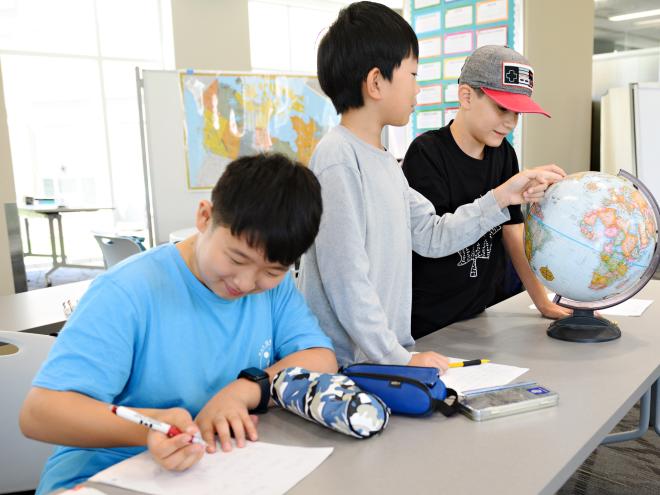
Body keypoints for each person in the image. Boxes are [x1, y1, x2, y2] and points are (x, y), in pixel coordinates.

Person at [19, 153, 337, 495]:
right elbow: (40, 413)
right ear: (204, 217)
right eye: (236, 258)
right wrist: (149, 429)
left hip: (212, 470)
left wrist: (241, 392)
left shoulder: (273, 291)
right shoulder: (128, 291)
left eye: (272, 271)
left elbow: (320, 359)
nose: (246, 283)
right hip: (103, 476)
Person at [299, 2, 565, 368]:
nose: (417, 88)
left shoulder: (383, 162)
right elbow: (347, 282)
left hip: (384, 357)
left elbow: (433, 235)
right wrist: (398, 357)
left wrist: (504, 196)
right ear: (377, 82)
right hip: (348, 365)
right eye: (412, 74)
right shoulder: (338, 160)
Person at [401, 45, 572, 339]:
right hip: (427, 322)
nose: (510, 122)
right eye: (502, 108)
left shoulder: (504, 154)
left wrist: (542, 301)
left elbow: (512, 231)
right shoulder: (426, 153)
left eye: (517, 113)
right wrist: (502, 194)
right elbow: (432, 236)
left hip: (478, 313)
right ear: (467, 96)